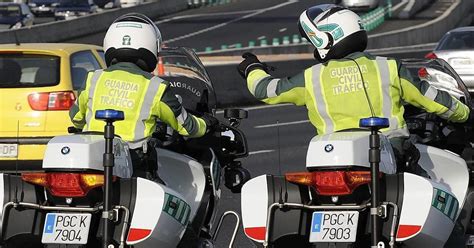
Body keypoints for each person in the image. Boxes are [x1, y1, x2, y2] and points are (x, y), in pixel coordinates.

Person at [237, 4, 470, 173]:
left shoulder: (312, 77)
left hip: (331, 160)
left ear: (327, 39)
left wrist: (252, 68)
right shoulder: (388, 68)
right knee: (434, 187)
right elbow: (433, 98)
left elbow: (265, 90)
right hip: (390, 156)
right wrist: (466, 113)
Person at [70, 13, 217, 180]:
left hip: (93, 160)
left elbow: (75, 117)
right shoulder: (155, 87)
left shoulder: (93, 78)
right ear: (151, 46)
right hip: (135, 163)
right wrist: (208, 123)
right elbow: (187, 126)